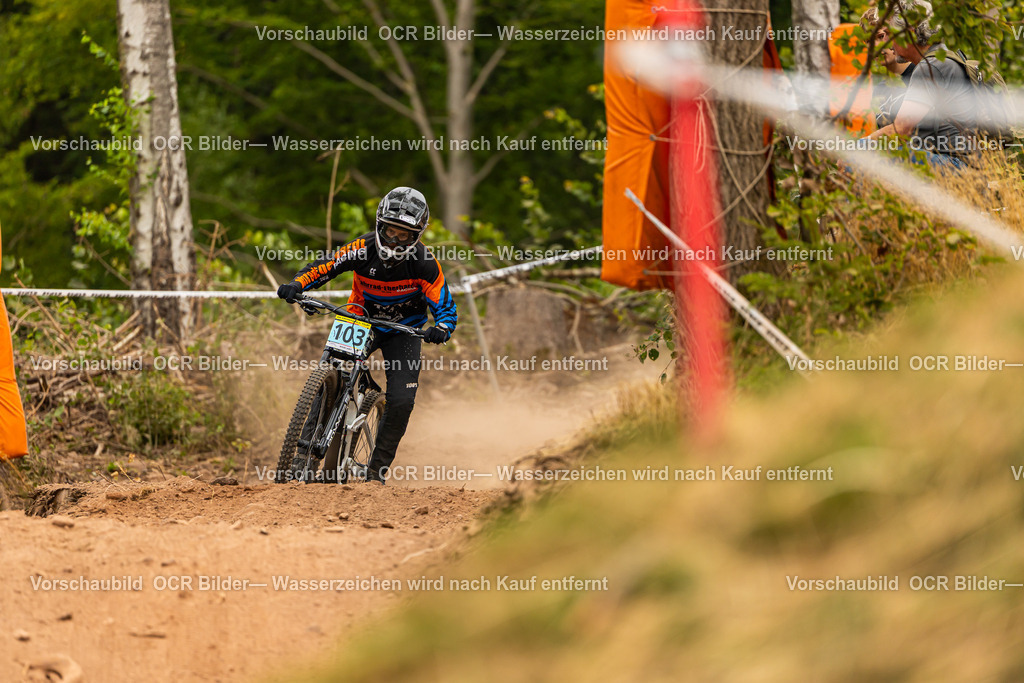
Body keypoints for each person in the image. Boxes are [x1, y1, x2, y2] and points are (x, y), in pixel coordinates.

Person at [277, 187, 457, 483]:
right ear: (379, 224)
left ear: (417, 235)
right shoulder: (362, 248)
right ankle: (302, 457)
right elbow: (326, 266)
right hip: (360, 319)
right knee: (329, 377)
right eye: (389, 231)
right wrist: (298, 284)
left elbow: (446, 308)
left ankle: (376, 473)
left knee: (401, 400)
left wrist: (441, 329)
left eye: (404, 235)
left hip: (405, 330)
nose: (394, 240)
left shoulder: (425, 264)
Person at [862, 0, 976, 170]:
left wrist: (856, 147)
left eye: (887, 34)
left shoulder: (931, 67)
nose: (886, 41)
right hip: (966, 164)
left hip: (959, 166)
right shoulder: (941, 58)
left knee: (875, 158)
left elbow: (900, 130)